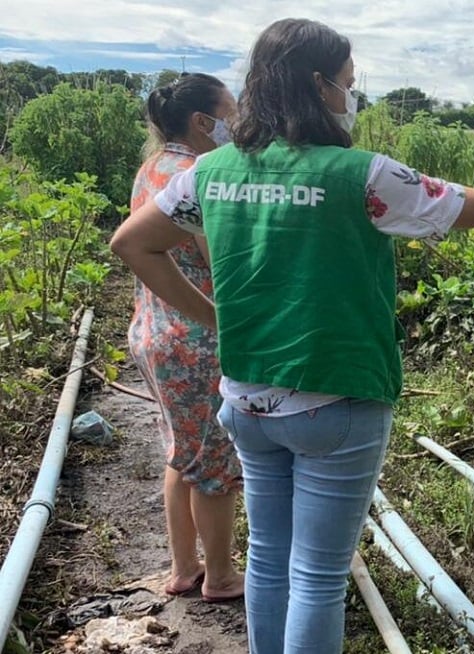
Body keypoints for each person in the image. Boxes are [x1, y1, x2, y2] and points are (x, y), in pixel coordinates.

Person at [110, 17, 474, 654]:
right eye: (347, 82)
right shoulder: (361, 175)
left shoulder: (211, 173)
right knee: (318, 575)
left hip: (246, 401)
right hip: (335, 399)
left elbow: (132, 243)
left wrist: (216, 319)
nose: (350, 95)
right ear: (318, 86)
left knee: (270, 556)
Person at [126, 72, 244, 603]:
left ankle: (183, 568)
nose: (238, 123)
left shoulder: (154, 166)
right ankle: (219, 577)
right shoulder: (199, 175)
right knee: (214, 463)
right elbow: (222, 264)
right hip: (194, 342)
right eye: (231, 113)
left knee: (183, 453)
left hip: (154, 333)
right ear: (203, 122)